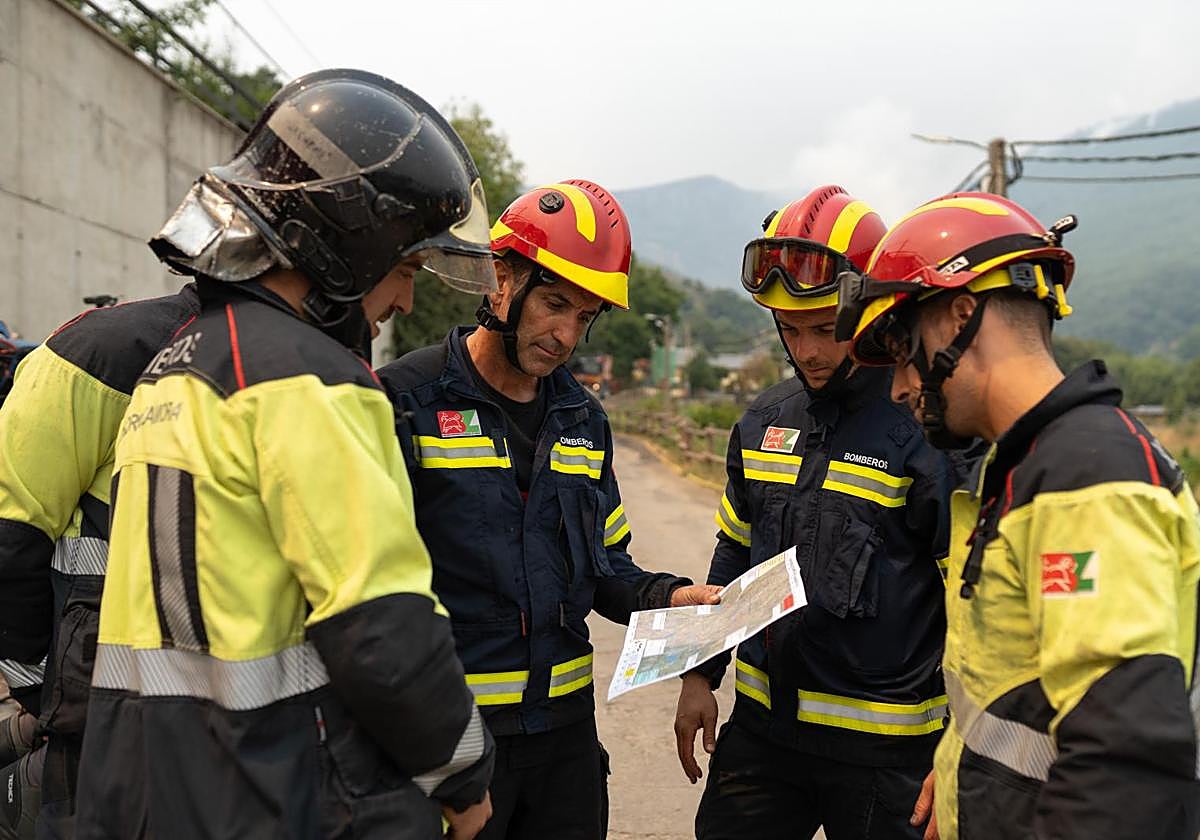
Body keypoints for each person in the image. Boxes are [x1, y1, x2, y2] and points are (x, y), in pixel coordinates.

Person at [71, 69, 499, 838]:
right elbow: (381, 623)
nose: (404, 300)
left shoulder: (182, 362)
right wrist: (462, 777)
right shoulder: (311, 379)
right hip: (272, 789)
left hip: (143, 788)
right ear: (350, 244)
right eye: (404, 268)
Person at [835, 191, 1200, 839]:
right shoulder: (1026, 469)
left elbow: (1124, 765)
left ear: (959, 317)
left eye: (900, 350)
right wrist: (960, 770)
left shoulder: (1088, 476)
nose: (896, 388)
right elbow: (1024, 697)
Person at [376, 180, 721, 840]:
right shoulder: (404, 404)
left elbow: (606, 570)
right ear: (499, 281)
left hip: (564, 744)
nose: (566, 335)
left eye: (585, 317)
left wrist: (673, 599)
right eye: (555, 304)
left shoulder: (583, 420)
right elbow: (375, 598)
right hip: (453, 742)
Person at [674, 186, 954, 840]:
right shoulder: (763, 422)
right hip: (766, 739)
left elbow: (971, 606)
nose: (808, 352)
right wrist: (699, 674)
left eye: (826, 329)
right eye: (789, 330)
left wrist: (959, 748)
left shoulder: (926, 430)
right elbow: (733, 555)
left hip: (891, 760)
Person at [0, 285, 200, 839]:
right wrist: (31, 696)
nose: (401, 303)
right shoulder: (98, 354)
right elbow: (13, 537)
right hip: (75, 699)